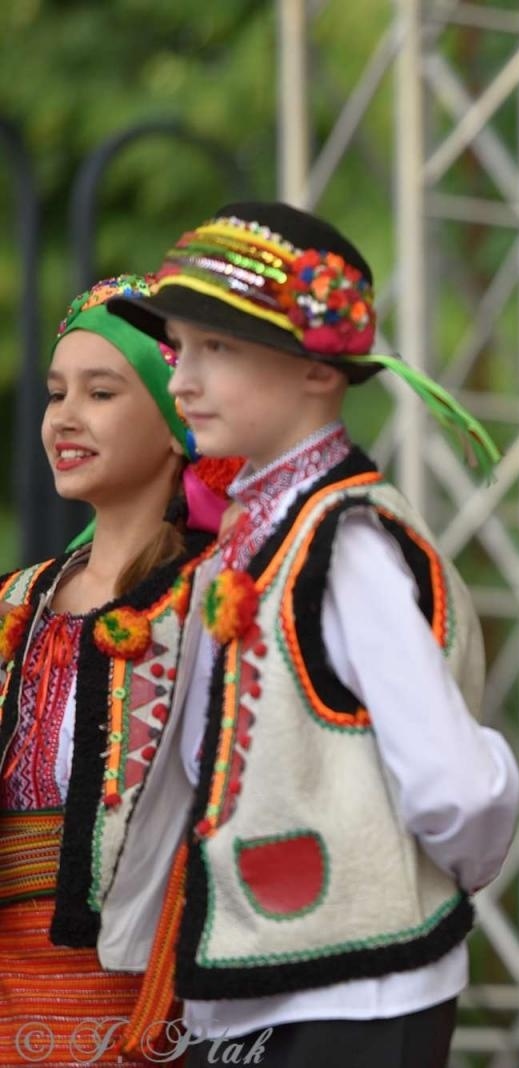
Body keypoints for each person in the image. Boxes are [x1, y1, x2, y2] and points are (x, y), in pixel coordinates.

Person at [100, 203, 519, 1068]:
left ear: (320, 370)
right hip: (255, 977)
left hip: (362, 985)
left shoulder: (347, 542)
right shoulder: (254, 540)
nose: (182, 382)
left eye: (219, 349)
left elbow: (456, 787)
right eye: (180, 348)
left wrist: (425, 877)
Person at [0, 275, 233, 1067]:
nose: (65, 416)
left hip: (146, 1008)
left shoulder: (216, 602)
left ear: (178, 421)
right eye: (56, 393)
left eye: (100, 393)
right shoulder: (15, 603)